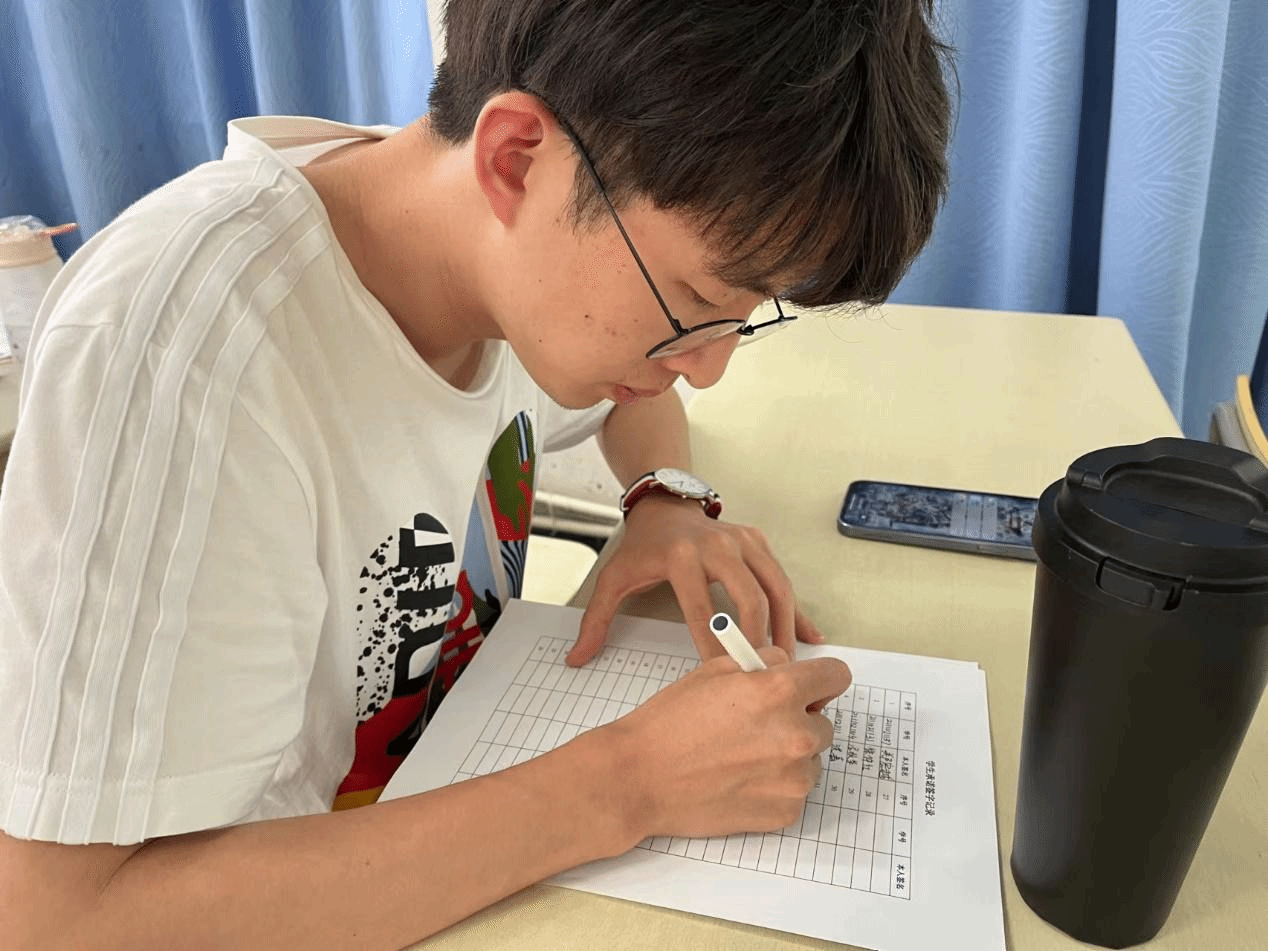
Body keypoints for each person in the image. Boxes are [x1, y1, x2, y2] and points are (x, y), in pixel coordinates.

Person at [0, 0, 952, 946]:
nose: (708, 367)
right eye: (697, 299)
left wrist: (664, 497)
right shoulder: (184, 361)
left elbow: (635, 399)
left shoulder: (492, 261)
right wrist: (629, 782)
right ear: (515, 158)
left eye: (746, 315)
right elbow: (58, 918)